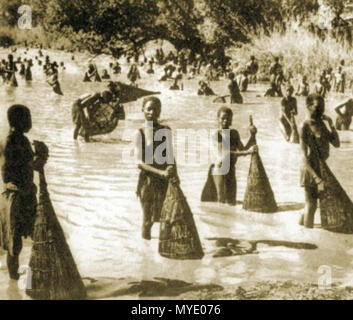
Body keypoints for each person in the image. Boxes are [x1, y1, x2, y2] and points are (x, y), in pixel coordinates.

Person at [0, 105, 48, 280]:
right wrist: (43, 155)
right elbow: (31, 166)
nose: (30, 122)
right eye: (28, 118)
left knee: (14, 244)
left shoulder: (10, 139)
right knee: (21, 241)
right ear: (20, 121)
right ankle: (19, 282)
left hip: (13, 196)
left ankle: (15, 285)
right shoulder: (17, 141)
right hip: (18, 197)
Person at [134, 97, 175, 240]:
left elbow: (170, 156)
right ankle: (146, 253)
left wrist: (172, 171)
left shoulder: (166, 130)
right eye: (149, 109)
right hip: (148, 182)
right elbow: (139, 163)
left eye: (156, 109)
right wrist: (160, 172)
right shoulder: (140, 132)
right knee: (148, 221)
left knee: (166, 218)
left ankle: (162, 251)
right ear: (142, 110)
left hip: (164, 181)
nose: (152, 112)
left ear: (160, 111)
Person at [299, 94, 340, 228]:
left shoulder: (321, 124)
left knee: (312, 203)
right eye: (318, 107)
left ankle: (301, 222)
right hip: (310, 169)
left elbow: (336, 143)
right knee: (312, 205)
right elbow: (304, 157)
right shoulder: (304, 126)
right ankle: (307, 234)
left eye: (322, 107)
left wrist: (331, 124)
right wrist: (316, 177)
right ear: (309, 106)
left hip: (321, 167)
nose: (321, 110)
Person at [204, 107, 257, 205]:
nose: (225, 120)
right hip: (220, 170)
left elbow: (243, 150)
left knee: (231, 202)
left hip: (231, 169)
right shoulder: (216, 135)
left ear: (231, 120)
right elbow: (225, 154)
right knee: (221, 202)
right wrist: (248, 152)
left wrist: (253, 135)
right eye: (223, 118)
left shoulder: (234, 133)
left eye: (228, 118)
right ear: (218, 119)